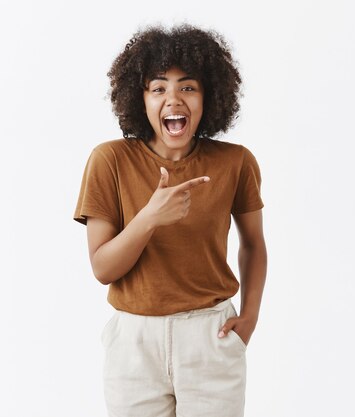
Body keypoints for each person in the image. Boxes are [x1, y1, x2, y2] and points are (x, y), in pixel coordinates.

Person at [73, 23, 267, 417]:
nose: (173, 99)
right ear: (140, 98)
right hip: (135, 342)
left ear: (208, 96)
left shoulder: (235, 162)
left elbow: (253, 244)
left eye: (188, 87)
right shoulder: (109, 161)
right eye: (158, 88)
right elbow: (103, 268)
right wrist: (150, 218)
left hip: (211, 335)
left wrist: (249, 318)